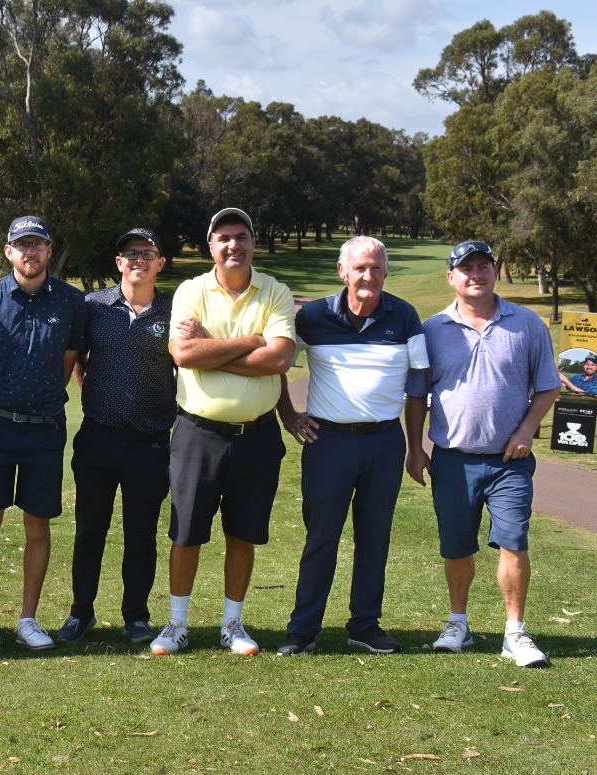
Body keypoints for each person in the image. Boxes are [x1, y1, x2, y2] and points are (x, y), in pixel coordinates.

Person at [406, 239, 560, 668]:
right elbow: (416, 395)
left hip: (510, 460)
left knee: (513, 540)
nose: (476, 274)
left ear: (494, 272)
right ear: (451, 277)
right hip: (453, 458)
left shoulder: (527, 324)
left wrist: (526, 430)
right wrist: (415, 448)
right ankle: (458, 624)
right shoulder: (431, 330)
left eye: (483, 266)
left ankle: (515, 632)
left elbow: (548, 385)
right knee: (456, 546)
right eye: (467, 268)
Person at [151, 208, 295, 657]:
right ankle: (177, 624)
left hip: (257, 435)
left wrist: (210, 348)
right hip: (198, 433)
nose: (234, 245)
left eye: (242, 236)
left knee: (243, 532)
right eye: (224, 238)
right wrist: (253, 341)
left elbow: (280, 359)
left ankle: (232, 623)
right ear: (211, 246)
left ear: (253, 241)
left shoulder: (275, 291)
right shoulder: (191, 290)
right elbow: (183, 354)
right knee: (186, 532)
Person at [275, 237, 428, 656]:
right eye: (360, 267)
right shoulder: (314, 317)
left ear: (386, 272)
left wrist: (416, 447)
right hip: (328, 443)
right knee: (321, 537)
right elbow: (276, 365)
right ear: (343, 271)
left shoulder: (405, 316)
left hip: (384, 442)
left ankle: (365, 625)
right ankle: (303, 629)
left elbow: (417, 387)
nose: (368, 276)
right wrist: (288, 415)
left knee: (374, 537)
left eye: (376, 268)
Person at [0, 215, 86, 652]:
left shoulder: (71, 301)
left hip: (45, 429)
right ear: (8, 252)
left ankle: (28, 620)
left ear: (49, 250)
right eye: (22, 245)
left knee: (38, 526)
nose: (30, 252)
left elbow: (67, 362)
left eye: (38, 244)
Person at [58, 228, 175, 645]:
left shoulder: (173, 310)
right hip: (98, 438)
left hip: (151, 442)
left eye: (148, 253)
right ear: (119, 262)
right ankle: (81, 613)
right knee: (90, 531)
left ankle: (136, 616)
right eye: (131, 253)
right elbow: (77, 355)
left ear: (160, 263)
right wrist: (88, 385)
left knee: (141, 534)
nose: (139, 259)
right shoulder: (93, 305)